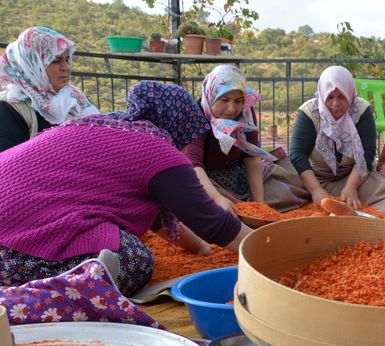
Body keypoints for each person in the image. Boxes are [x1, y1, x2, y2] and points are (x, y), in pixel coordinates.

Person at [0, 81, 252, 296]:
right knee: (133, 258)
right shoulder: (158, 150)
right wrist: (265, 249)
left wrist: (199, 248)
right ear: (180, 124)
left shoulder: (108, 126)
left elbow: (161, 222)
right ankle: (38, 295)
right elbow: (210, 221)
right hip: (12, 244)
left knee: (107, 235)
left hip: (14, 221)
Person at [289, 65, 385, 216]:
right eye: (330, 97)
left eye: (341, 96)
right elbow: (297, 154)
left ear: (350, 94)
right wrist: (316, 190)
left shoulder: (361, 109)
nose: (335, 104)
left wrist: (351, 187)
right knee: (283, 192)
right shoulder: (310, 112)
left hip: (355, 177)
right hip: (315, 178)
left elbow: (367, 153)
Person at [184, 65, 280, 211]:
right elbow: (193, 165)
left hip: (237, 176)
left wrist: (260, 205)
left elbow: (252, 158)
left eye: (238, 101)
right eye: (224, 100)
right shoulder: (196, 113)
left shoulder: (246, 113)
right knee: (210, 208)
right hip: (206, 179)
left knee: (284, 187)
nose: (231, 109)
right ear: (211, 94)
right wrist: (217, 199)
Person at [0, 27, 99, 152]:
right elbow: (6, 165)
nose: (66, 68)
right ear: (32, 65)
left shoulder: (74, 98)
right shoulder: (10, 109)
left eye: (67, 59)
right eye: (56, 61)